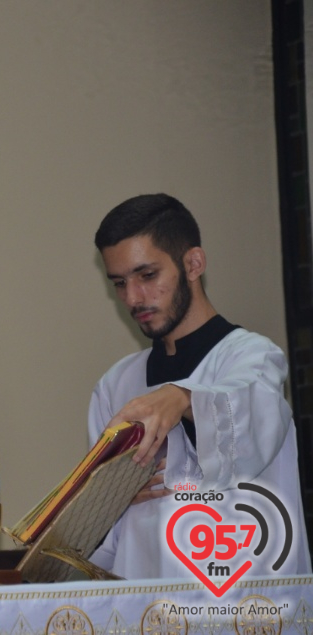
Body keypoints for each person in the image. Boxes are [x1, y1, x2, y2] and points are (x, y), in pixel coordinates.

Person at [88, 193, 311, 579]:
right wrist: (109, 503)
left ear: (193, 263)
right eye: (120, 283)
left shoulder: (252, 358)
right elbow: (101, 534)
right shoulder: (116, 385)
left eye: (147, 275)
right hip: (146, 602)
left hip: (238, 599)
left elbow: (250, 419)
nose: (133, 297)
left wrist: (183, 398)